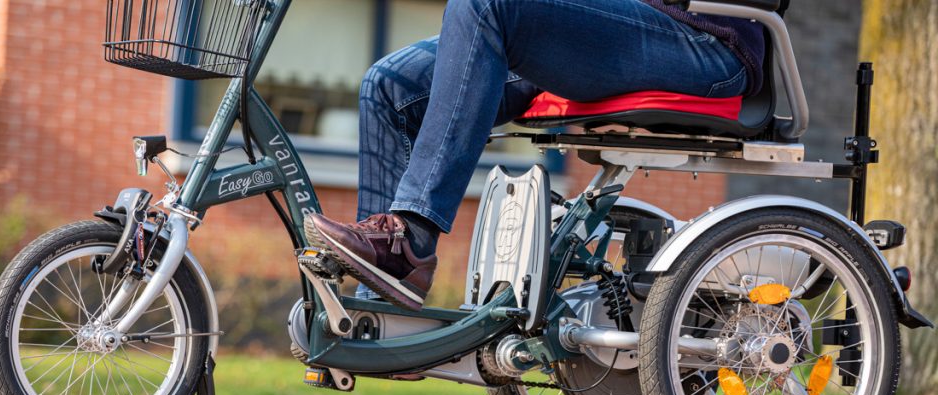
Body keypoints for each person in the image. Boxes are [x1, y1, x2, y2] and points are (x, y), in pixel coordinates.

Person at [305, 0, 767, 311]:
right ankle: (383, 303)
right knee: (390, 87)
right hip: (613, 23)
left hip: (704, 39)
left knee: (484, 3)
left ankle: (412, 238)